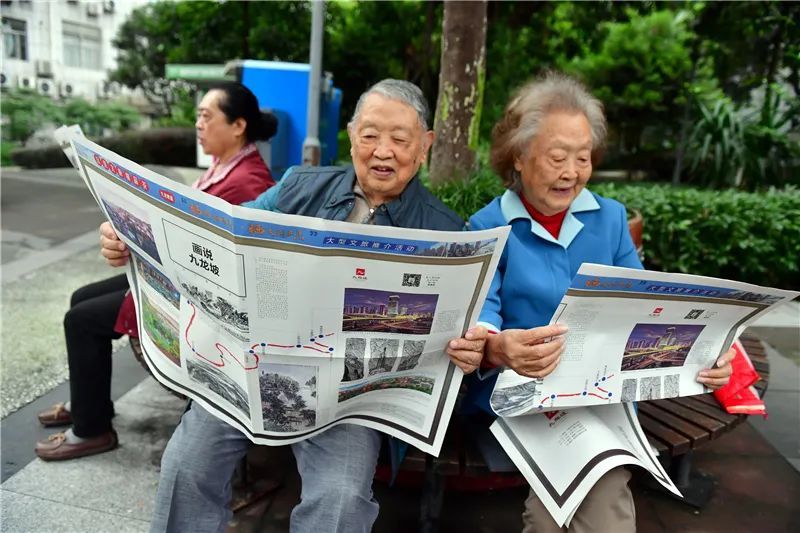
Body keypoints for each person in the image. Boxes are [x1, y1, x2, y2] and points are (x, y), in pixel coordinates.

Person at [99, 79, 488, 533]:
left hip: (350, 401)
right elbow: (223, 233)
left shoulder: (445, 231)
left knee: (340, 500)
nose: (384, 151)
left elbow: (457, 334)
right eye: (370, 135)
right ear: (350, 134)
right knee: (187, 463)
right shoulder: (300, 186)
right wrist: (132, 238)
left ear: (425, 145)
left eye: (400, 139)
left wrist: (467, 347)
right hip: (251, 368)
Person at [450, 71, 734, 533]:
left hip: (599, 392)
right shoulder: (487, 226)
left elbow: (648, 308)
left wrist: (705, 351)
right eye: (558, 157)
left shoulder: (610, 218)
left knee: (582, 507)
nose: (572, 172)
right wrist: (498, 345)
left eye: (583, 158)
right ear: (519, 158)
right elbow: (483, 315)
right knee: (598, 509)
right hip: (521, 396)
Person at [35, 81, 277, 461]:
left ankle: (91, 429)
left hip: (187, 298)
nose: (198, 124)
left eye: (206, 116)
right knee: (81, 298)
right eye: (197, 115)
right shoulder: (226, 167)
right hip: (168, 275)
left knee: (80, 319)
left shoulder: (249, 182)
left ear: (238, 126)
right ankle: (90, 403)